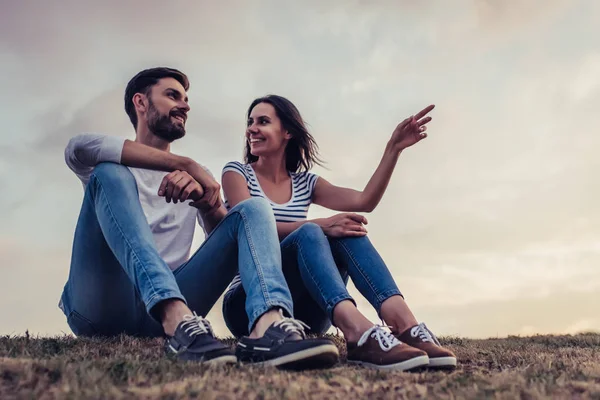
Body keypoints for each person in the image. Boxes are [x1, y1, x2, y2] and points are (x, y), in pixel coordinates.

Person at [60, 69, 339, 369]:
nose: (185, 105)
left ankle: (269, 324)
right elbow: (77, 147)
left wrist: (205, 203)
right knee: (109, 172)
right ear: (140, 102)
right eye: (172, 95)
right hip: (101, 306)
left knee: (254, 209)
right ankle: (174, 314)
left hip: (171, 315)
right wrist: (186, 164)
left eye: (186, 98)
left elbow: (226, 238)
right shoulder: (114, 163)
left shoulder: (194, 180)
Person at [221, 95, 457, 371]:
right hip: (250, 304)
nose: (251, 129)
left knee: (346, 230)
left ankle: (404, 325)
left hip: (310, 312)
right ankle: (357, 330)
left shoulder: (305, 183)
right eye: (250, 122)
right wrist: (321, 224)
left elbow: (364, 201)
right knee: (312, 231)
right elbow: (250, 228)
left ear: (287, 132)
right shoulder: (236, 173)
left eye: (262, 121)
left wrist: (394, 149)